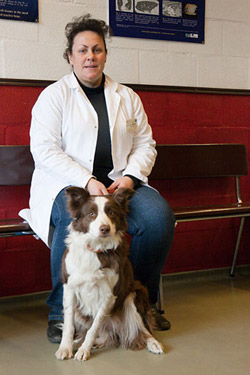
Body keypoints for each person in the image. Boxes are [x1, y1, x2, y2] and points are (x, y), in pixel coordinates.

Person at [19, 14, 176, 344]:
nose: (90, 56)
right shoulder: (54, 96)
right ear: (70, 56)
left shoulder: (127, 96)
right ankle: (62, 314)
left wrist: (132, 176)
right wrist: (86, 180)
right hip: (73, 186)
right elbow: (44, 149)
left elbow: (145, 143)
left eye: (97, 49)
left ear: (105, 54)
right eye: (82, 50)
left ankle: (138, 302)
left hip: (120, 187)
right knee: (69, 219)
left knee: (159, 219)